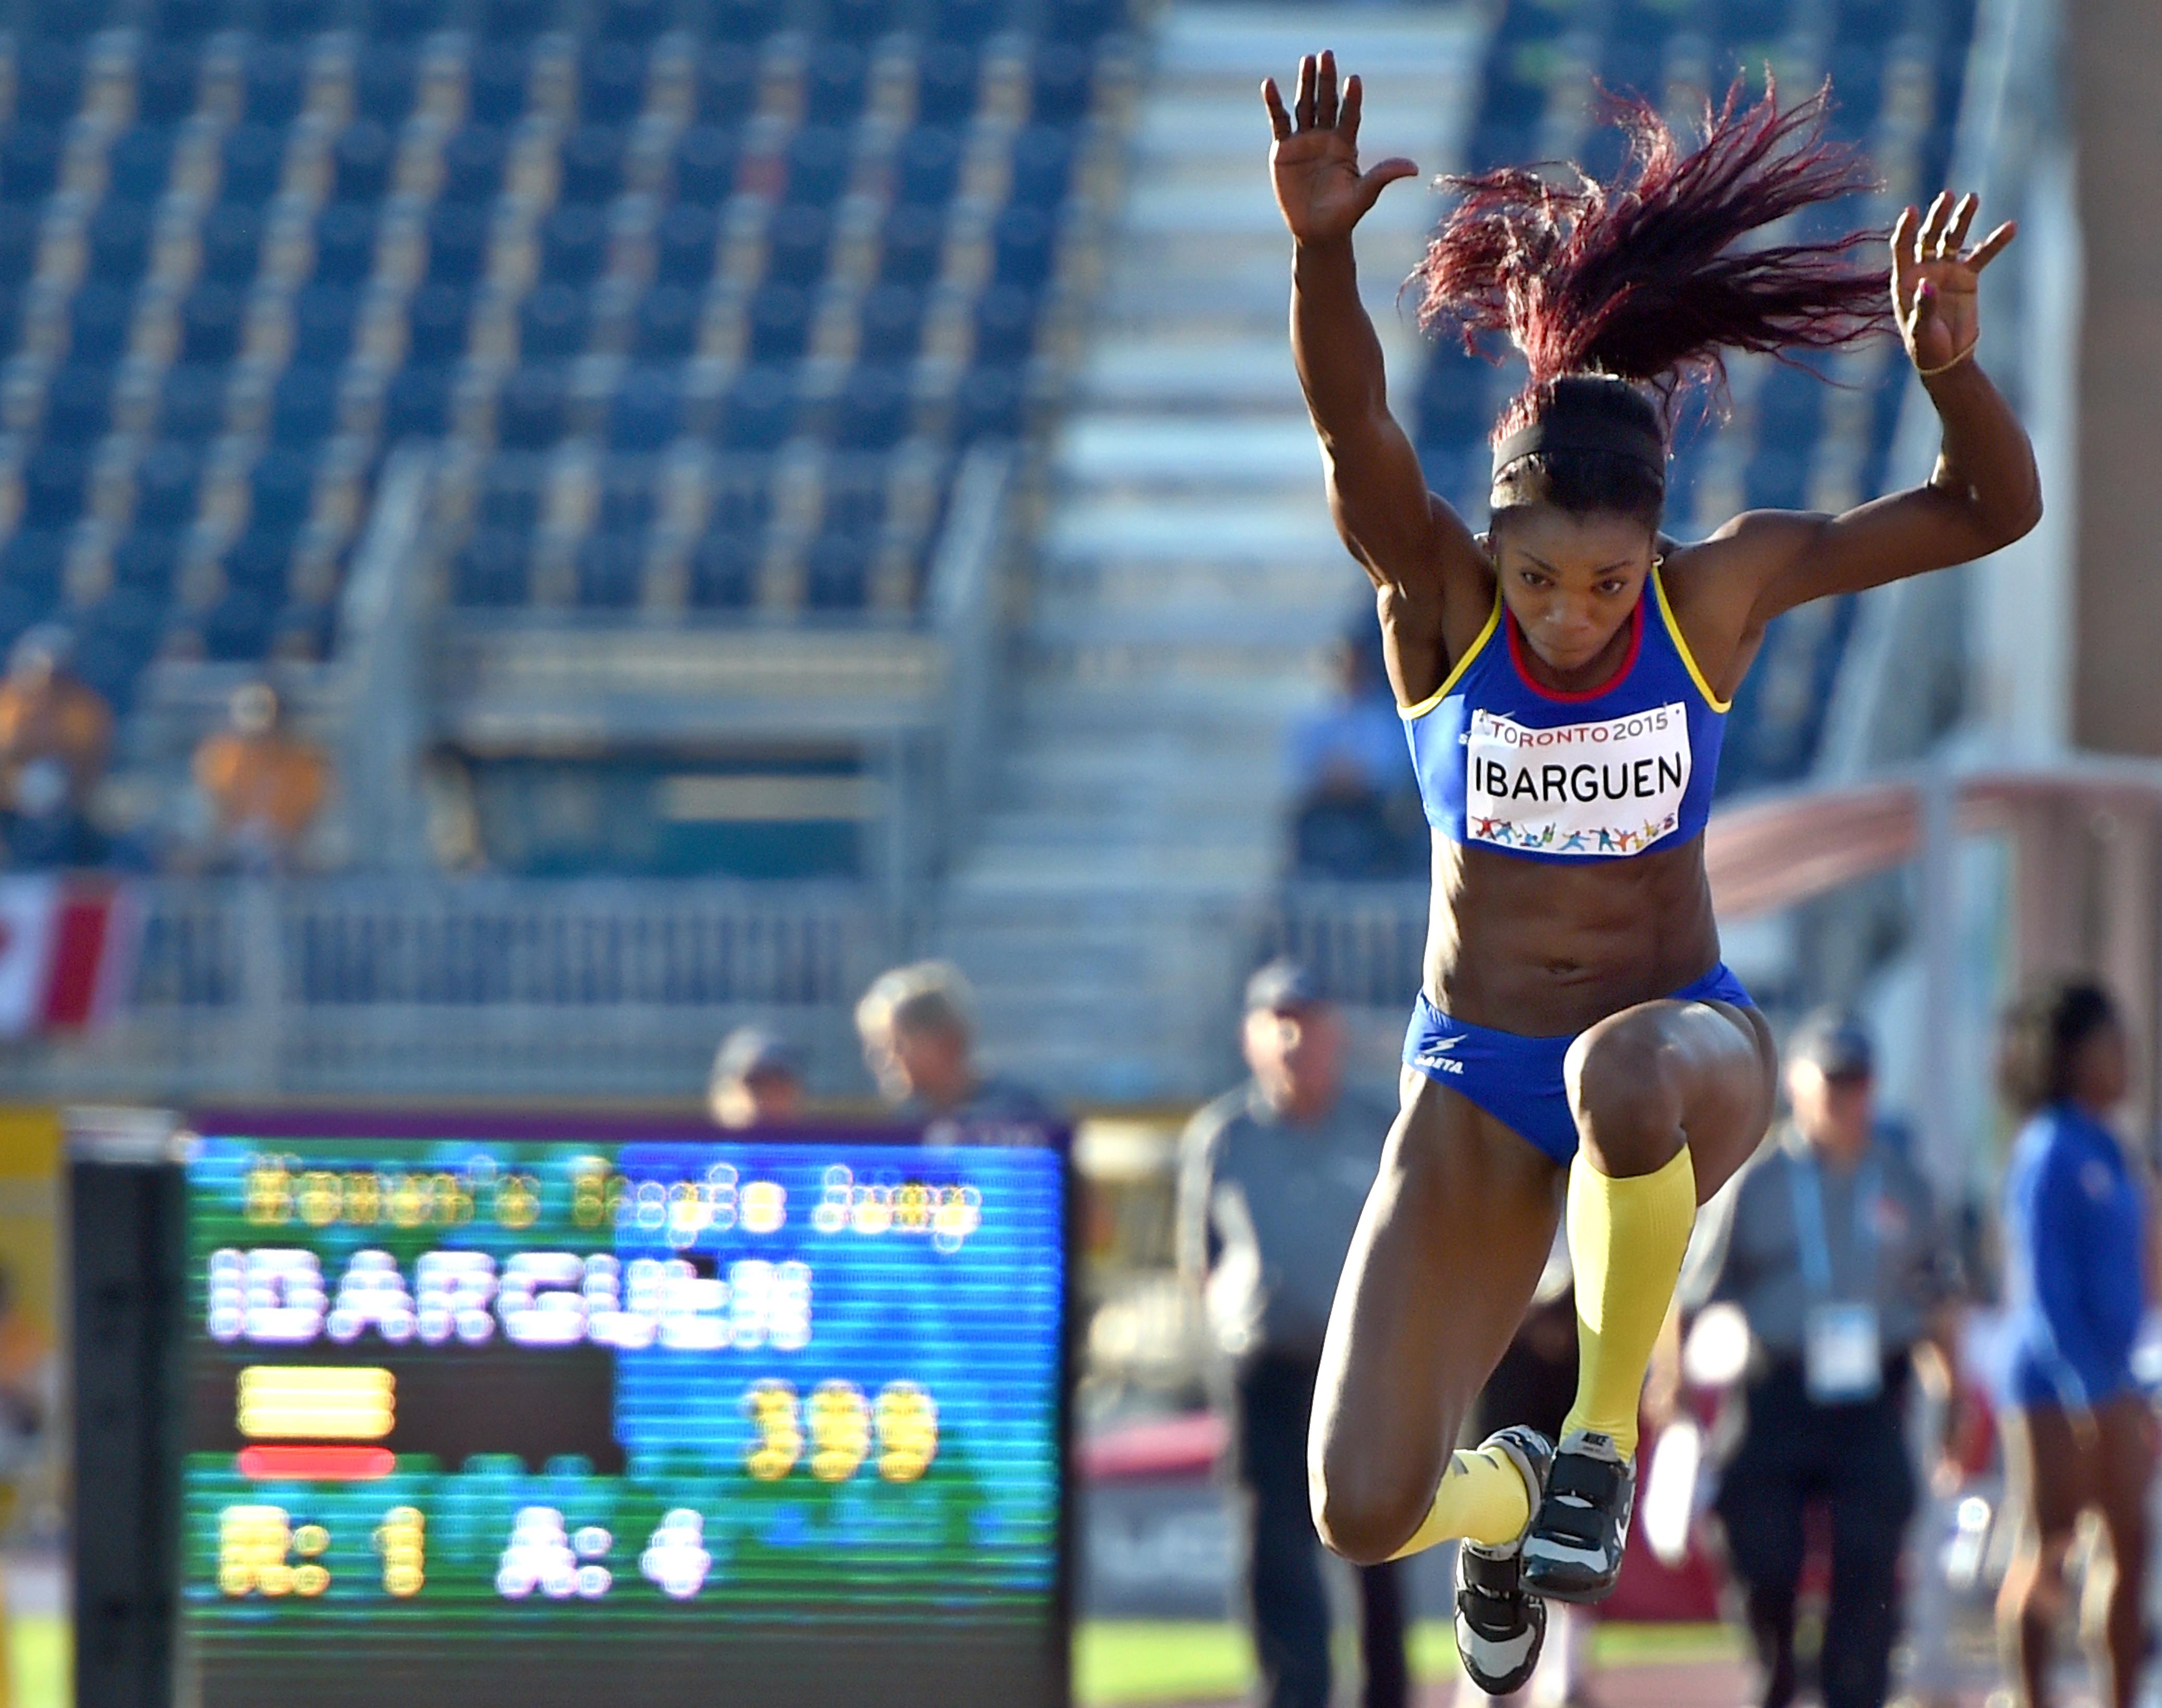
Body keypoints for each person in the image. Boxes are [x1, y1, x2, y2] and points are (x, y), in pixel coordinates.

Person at [1261, 50, 2039, 1695]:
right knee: (1358, 1503)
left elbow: (1989, 509)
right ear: (1492, 546)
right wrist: (1322, 254)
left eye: (1605, 584)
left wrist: (1953, 372)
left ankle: (1595, 1443)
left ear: (1656, 551)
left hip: (1684, 1051)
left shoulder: (1715, 598)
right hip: (1475, 1077)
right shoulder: (1439, 605)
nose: (1567, 617)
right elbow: (1353, 425)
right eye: (1538, 578)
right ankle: (1511, 1497)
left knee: (1618, 1070)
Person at [1676, 1011, 1961, 1708]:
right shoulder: (1758, 1183)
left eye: (1856, 1081)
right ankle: (1774, 1666)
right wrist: (1671, 1387)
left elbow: (1939, 1299)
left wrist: (1952, 1396)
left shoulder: (1903, 1181)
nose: (1844, 1097)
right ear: (1797, 1086)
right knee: (1760, 1548)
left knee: (1872, 1551)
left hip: (1872, 1394)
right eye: (1831, 1081)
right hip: (1779, 1386)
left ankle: (1853, 1689)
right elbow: (1692, 1296)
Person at [1177, 959, 1407, 1708]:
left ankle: (1384, 1693)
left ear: (1335, 1034)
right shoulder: (1225, 1136)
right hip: (1265, 1366)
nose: (1293, 1041)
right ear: (1249, 1038)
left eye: (1307, 1023)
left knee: (1378, 1540)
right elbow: (1201, 1257)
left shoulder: (1380, 1127)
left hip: (1363, 1369)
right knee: (1272, 1545)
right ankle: (1292, 1693)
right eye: (1277, 1024)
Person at [1993, 978, 2155, 1708]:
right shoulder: (2049, 1147)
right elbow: (2045, 1287)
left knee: (2130, 1547)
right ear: (2070, 1056)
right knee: (2051, 1545)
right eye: (2110, 1044)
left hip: (2119, 1380)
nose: (2126, 1057)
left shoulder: (2113, 1147)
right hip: (2054, 1387)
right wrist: (2085, 1386)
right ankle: (2031, 1696)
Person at [853, 961, 1057, 1131]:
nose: (885, 1060)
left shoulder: (1019, 1114)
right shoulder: (904, 1125)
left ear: (948, 1041)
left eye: (898, 1046)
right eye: (880, 1048)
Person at [1287, 626, 1423, 879]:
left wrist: (1358, 779)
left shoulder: (1384, 716)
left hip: (1371, 807)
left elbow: (1391, 769)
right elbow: (1302, 764)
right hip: (1325, 803)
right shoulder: (1315, 717)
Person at [0, 625, 111, 868]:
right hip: (11, 790)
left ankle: (79, 865)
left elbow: (86, 757)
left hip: (70, 792)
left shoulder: (83, 706)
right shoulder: (9, 702)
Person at [190, 681, 331, 872]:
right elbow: (212, 819)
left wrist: (281, 844)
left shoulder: (305, 764)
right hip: (230, 859)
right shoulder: (219, 758)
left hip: (290, 862)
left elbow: (311, 823)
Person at [708, 1026, 806, 1128]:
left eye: (778, 1087)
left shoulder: (807, 1137)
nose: (770, 1098)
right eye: (758, 1086)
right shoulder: (704, 1139)